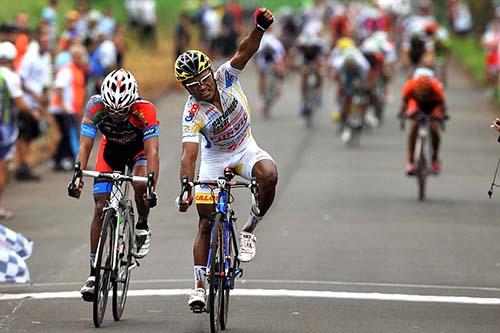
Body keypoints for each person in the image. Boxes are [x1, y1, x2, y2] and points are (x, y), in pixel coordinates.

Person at [175, 8, 278, 310]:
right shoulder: (192, 112)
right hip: (216, 157)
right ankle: (198, 286)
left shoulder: (226, 77)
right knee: (206, 220)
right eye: (191, 84)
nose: (200, 85)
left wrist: (259, 27)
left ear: (210, 72)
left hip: (245, 147)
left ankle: (249, 229)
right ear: (186, 88)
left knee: (269, 175)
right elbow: (188, 154)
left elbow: (244, 51)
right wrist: (185, 185)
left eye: (202, 77)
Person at [68, 68, 159, 301]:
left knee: (140, 185)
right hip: (111, 153)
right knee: (100, 206)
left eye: (122, 111)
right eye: (112, 111)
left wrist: (151, 186)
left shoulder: (145, 109)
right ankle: (93, 272)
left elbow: (153, 152)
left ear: (132, 102)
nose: (117, 116)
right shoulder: (95, 106)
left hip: (138, 152)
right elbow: (85, 146)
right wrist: (77, 176)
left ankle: (141, 224)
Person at [0, 42, 39, 219]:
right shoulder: (10, 76)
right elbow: (20, 103)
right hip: (5, 129)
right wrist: (33, 113)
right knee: (2, 167)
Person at [16, 32, 52, 181]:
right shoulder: (29, 58)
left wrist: (43, 98)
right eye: (43, 42)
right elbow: (21, 81)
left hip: (37, 104)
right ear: (38, 42)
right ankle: (23, 165)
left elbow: (43, 80)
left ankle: (24, 165)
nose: (45, 45)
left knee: (31, 136)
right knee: (24, 135)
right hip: (27, 103)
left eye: (47, 42)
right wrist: (35, 96)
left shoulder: (46, 57)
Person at [399, 67, 447, 175]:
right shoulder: (409, 86)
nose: (423, 94)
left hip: (433, 105)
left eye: (426, 92)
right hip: (416, 104)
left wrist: (441, 117)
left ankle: (435, 159)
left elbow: (442, 105)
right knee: (414, 126)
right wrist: (403, 114)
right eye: (420, 91)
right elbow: (404, 103)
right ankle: (410, 161)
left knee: (434, 129)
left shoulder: (436, 87)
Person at [49, 44, 87, 171]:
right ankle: (60, 159)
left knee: (69, 134)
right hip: (62, 109)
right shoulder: (67, 70)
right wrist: (63, 106)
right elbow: (59, 89)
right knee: (66, 134)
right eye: (76, 57)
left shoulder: (79, 70)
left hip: (73, 108)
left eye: (80, 56)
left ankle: (64, 159)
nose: (78, 59)